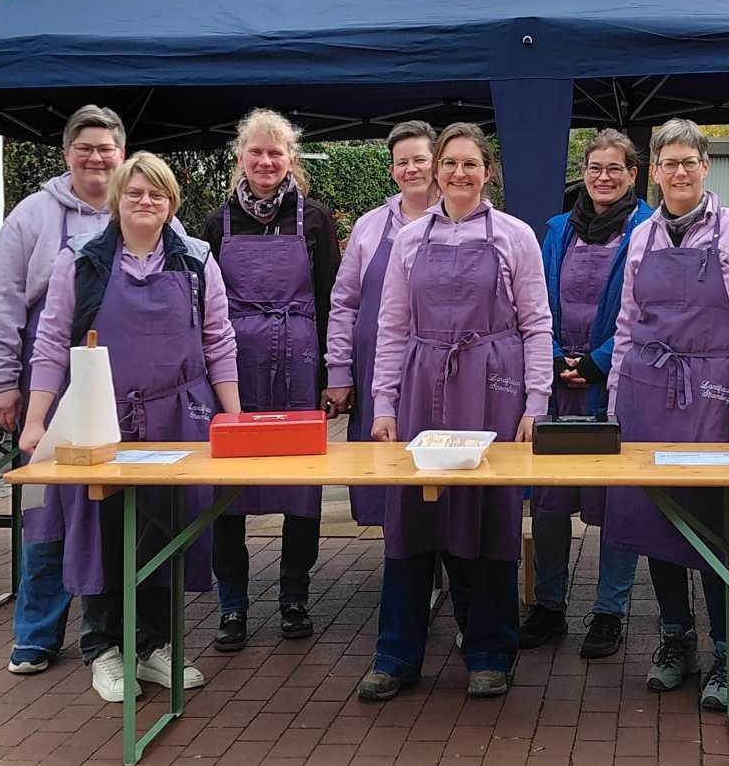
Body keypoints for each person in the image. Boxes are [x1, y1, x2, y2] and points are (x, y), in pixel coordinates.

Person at [18, 153, 240, 703]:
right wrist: (35, 420)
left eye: (157, 194)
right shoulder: (83, 262)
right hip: (101, 419)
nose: (146, 202)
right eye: (136, 192)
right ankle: (105, 650)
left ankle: (153, 645)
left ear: (172, 203)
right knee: (102, 528)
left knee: (169, 529)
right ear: (118, 198)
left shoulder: (196, 262)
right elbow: (50, 344)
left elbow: (219, 340)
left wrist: (232, 416)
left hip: (179, 416)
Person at [364, 122, 553, 701]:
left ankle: (491, 650)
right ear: (437, 170)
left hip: (493, 385)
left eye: (471, 164)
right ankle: (396, 655)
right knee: (412, 518)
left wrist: (535, 402)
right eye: (450, 163)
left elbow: (537, 323)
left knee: (486, 514)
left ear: (487, 172)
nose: (459, 174)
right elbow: (392, 327)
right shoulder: (408, 239)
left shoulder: (516, 236)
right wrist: (383, 403)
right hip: (422, 386)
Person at [604, 119, 729, 712]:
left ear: (707, 168)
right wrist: (613, 407)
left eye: (689, 162)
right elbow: (626, 326)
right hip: (645, 395)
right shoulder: (641, 238)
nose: (679, 173)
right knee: (658, 525)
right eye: (668, 163)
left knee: (711, 527)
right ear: (653, 171)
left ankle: (727, 653)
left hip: (711, 398)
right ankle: (674, 641)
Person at [0, 105, 126, 676]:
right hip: (45, 385)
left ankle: (106, 637)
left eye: (106, 148)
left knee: (105, 508)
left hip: (115, 389)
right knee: (44, 510)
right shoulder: (32, 217)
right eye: (84, 147)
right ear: (67, 153)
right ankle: (36, 635)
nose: (96, 158)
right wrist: (0, 382)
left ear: (120, 151)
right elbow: (0, 302)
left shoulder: (138, 207)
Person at [203, 110, 340, 649]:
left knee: (301, 484)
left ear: (291, 161)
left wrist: (334, 372)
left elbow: (333, 301)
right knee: (227, 487)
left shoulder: (316, 220)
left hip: (300, 362)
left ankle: (293, 596)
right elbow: (205, 310)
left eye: (276, 153)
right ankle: (231, 604)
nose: (265, 161)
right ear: (240, 157)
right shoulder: (217, 223)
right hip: (235, 368)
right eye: (256, 152)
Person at [520, 129, 651, 661]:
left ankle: (608, 611)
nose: (603, 177)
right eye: (595, 167)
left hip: (614, 382)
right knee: (550, 502)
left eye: (614, 168)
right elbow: (534, 297)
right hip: (557, 383)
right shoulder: (556, 230)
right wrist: (552, 354)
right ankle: (548, 606)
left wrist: (598, 362)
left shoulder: (647, 229)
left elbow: (646, 309)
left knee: (615, 501)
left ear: (633, 174)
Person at [323, 121, 437, 531]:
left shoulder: (460, 221)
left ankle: (440, 558)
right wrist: (338, 371)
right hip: (377, 369)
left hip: (437, 370)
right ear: (392, 170)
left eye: (420, 159)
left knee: (437, 465)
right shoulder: (369, 227)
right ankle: (401, 563)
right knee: (387, 460)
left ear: (436, 163)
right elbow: (344, 302)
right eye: (401, 162)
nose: (411, 169)